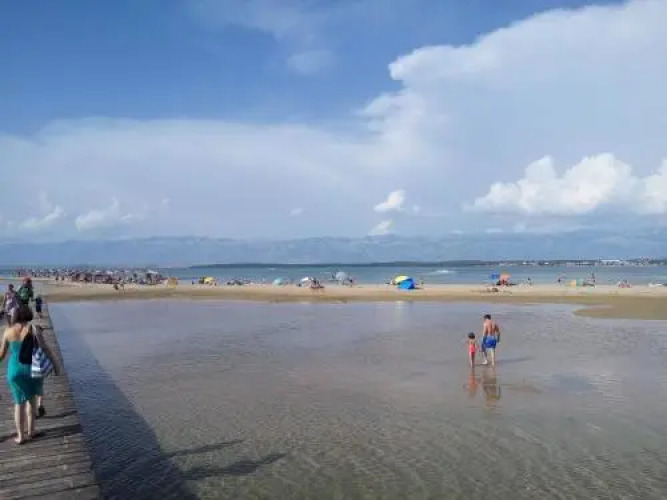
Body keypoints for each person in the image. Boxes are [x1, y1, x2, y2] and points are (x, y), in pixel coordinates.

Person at [0, 305, 59, 444]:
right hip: (32, 370)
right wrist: (55, 365)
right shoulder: (34, 329)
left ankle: (21, 437)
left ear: (15, 316)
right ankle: (31, 431)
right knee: (31, 403)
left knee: (18, 404)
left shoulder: (7, 331)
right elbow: (45, 349)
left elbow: (1, 354)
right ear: (28, 315)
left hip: (14, 371)